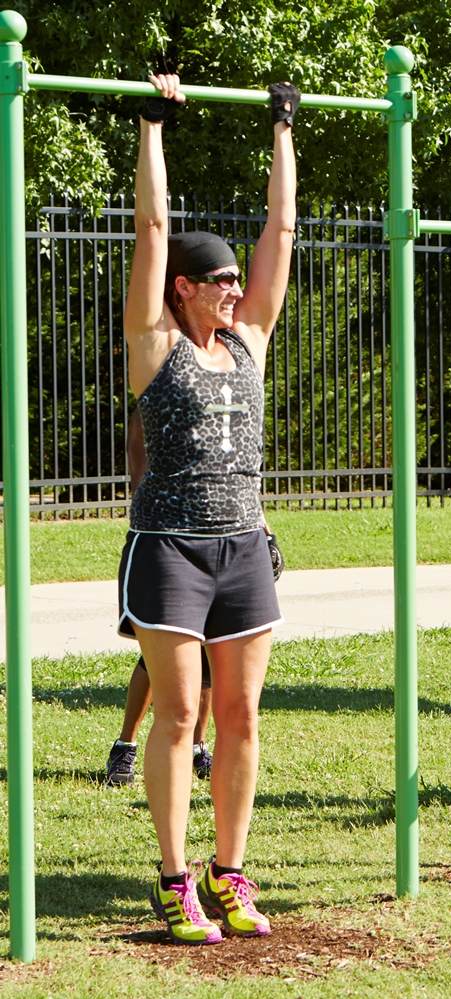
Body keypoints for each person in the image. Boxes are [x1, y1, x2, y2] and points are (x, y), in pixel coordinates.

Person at [119, 72, 298, 945]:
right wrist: (153, 125)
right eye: (218, 280)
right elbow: (153, 227)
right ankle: (173, 879)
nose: (235, 288)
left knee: (242, 715)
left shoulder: (249, 342)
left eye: (237, 280)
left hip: (243, 547)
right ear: (183, 288)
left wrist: (283, 127)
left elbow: (283, 229)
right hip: (171, 549)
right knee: (181, 714)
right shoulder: (153, 348)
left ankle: (230, 874)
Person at [105, 410, 285, 788]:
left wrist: (259, 522)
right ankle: (126, 744)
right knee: (158, 659)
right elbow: (138, 435)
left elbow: (235, 466)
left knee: (209, 653)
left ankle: (197, 746)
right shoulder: (166, 384)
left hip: (229, 540)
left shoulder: (227, 392)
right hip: (171, 539)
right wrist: (143, 501)